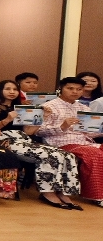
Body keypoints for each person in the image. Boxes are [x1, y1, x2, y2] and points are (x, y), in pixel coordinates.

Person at [0, 79, 81, 209]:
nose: (12, 92)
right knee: (49, 156)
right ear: (0, 91)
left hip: (24, 139)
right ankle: (47, 192)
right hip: (4, 140)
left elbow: (29, 131)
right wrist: (7, 119)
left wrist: (43, 117)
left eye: (15, 89)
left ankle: (63, 192)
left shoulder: (22, 108)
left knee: (67, 155)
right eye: (7, 89)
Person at [38, 77, 103, 207]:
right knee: (94, 154)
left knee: (94, 151)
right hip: (60, 143)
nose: (75, 92)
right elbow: (39, 131)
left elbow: (89, 133)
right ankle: (97, 195)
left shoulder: (84, 108)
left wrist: (100, 130)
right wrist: (63, 126)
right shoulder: (48, 107)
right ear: (60, 88)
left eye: (79, 89)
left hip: (84, 142)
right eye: (70, 88)